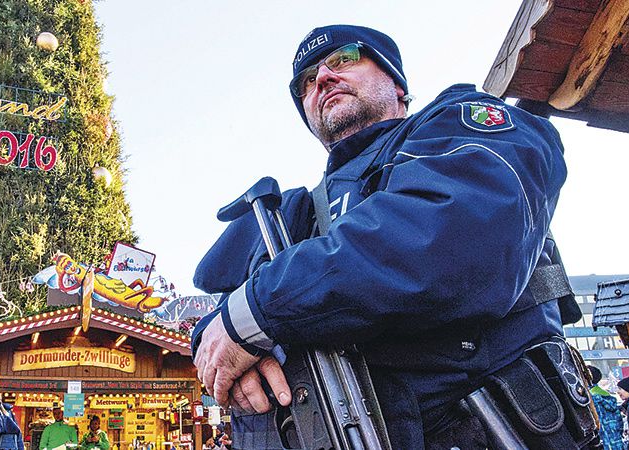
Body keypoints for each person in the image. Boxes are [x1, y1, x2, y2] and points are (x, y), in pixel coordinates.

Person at [192, 24, 595, 449]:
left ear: (396, 83)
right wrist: (223, 351)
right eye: (307, 81)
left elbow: (451, 237)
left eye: (344, 58)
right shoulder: (297, 214)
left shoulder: (461, 126)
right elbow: (222, 312)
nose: (323, 78)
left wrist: (258, 311)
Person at [587, 366, 624, 450]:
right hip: (616, 443)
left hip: (601, 444)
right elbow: (619, 422)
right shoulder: (608, 397)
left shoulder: (587, 398)